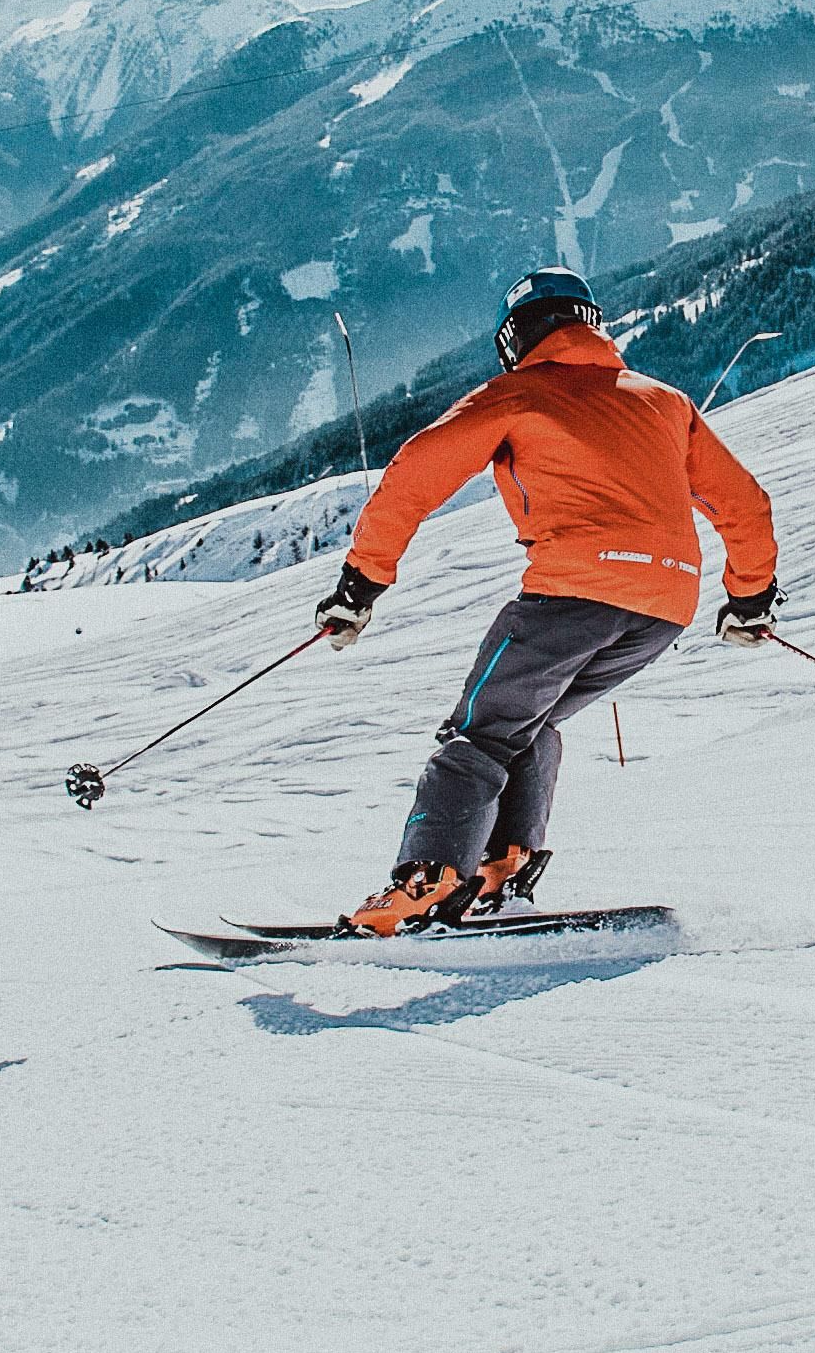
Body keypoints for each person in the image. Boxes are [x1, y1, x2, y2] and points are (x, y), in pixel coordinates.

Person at [313, 266, 780, 933]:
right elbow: (743, 504)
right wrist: (750, 597)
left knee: (478, 734)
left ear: (515, 337)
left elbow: (414, 475)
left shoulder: (517, 395)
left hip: (570, 594)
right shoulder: (664, 402)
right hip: (664, 605)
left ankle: (427, 882)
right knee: (525, 724)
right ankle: (501, 870)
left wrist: (361, 584)